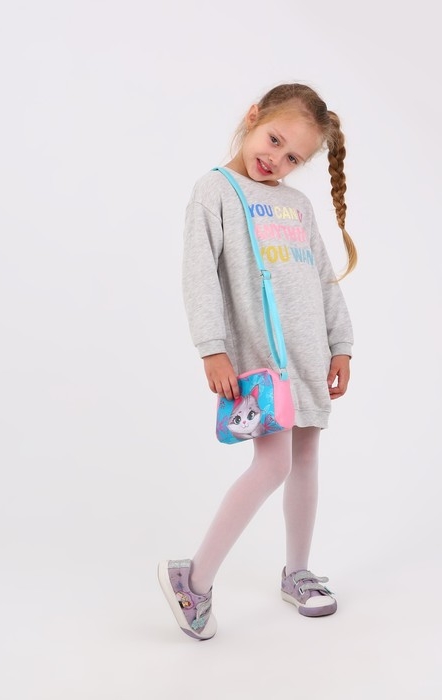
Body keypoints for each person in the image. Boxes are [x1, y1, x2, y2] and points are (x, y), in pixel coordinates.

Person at [158, 82, 357, 640]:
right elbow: (199, 276)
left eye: (293, 158)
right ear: (253, 117)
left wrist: (341, 344)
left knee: (306, 457)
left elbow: (323, 278)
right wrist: (212, 348)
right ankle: (193, 580)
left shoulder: (298, 205)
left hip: (309, 352)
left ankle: (297, 572)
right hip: (261, 358)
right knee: (273, 465)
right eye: (274, 141)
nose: (276, 160)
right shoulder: (215, 191)